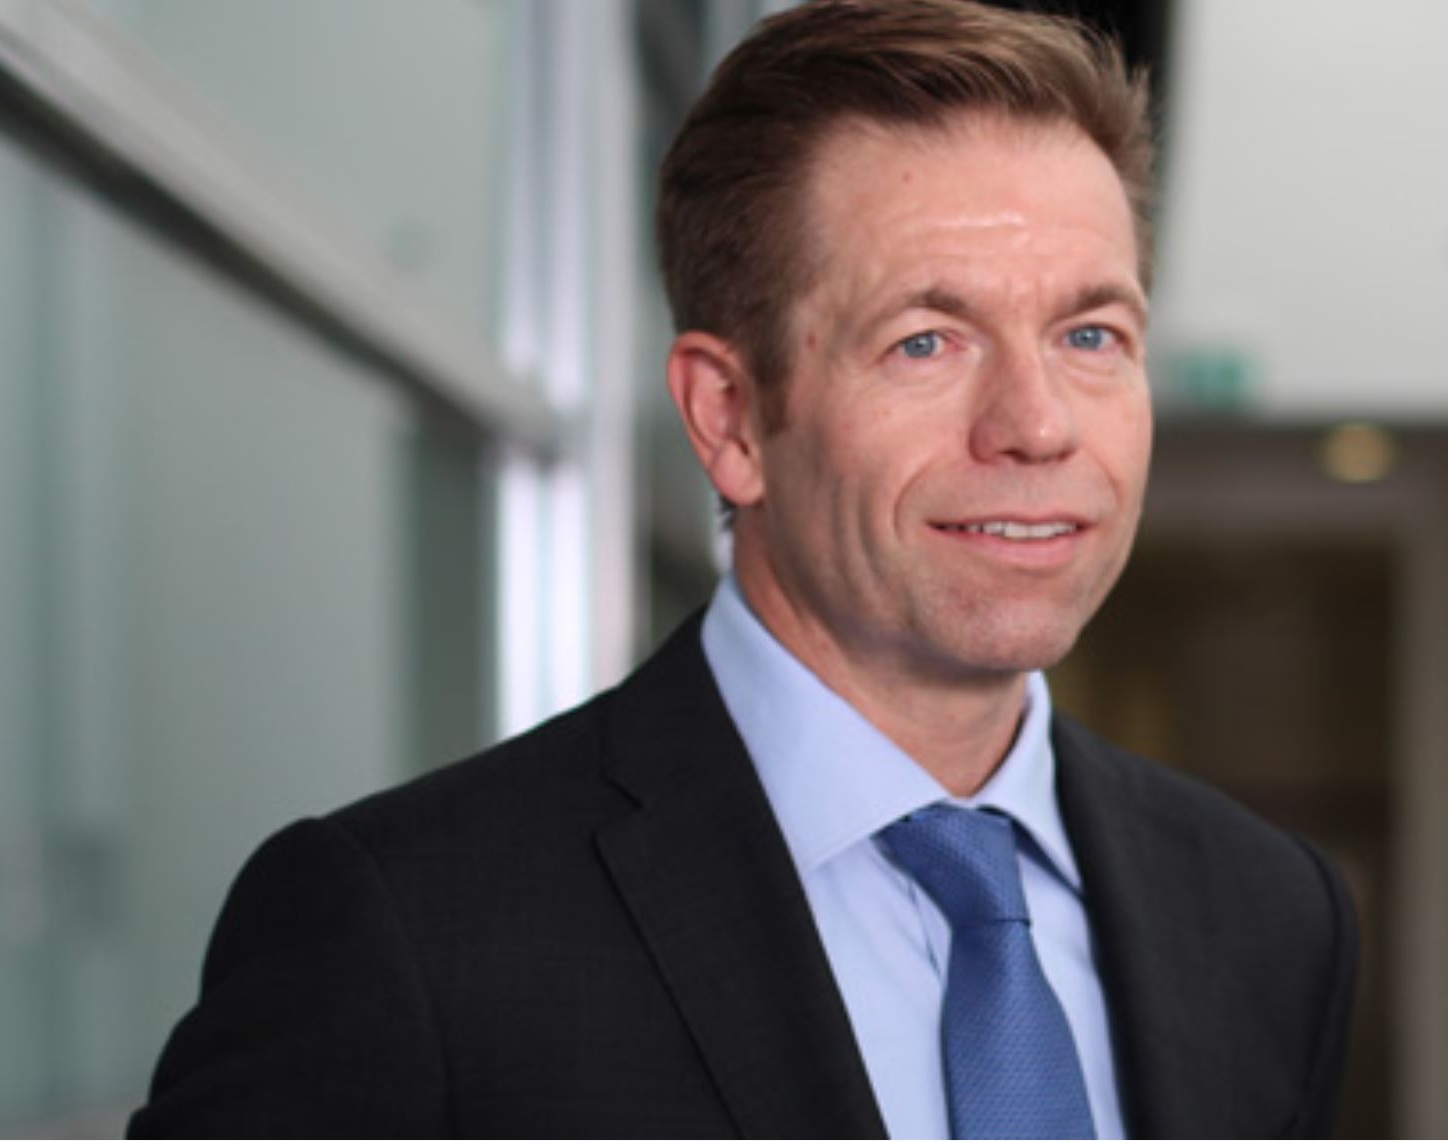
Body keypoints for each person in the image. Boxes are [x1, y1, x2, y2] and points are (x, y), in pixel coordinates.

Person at [130, 0, 1357, 1137]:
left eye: (1089, 334)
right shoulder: (405, 937)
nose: (1036, 425)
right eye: (925, 341)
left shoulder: (1267, 916)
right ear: (728, 419)